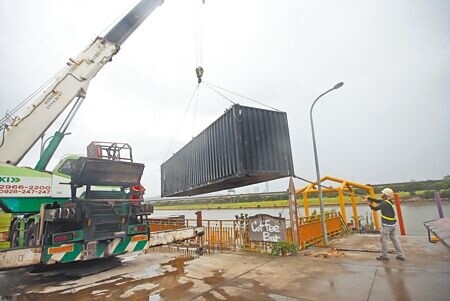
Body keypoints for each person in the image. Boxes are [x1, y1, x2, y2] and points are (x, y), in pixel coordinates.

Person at [365, 188, 405, 261]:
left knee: (384, 240)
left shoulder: (384, 203)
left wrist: (369, 204)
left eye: (383, 194)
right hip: (393, 224)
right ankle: (401, 255)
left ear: (386, 195)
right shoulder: (389, 201)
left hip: (387, 225)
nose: (381, 195)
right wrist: (368, 198)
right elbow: (377, 201)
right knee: (394, 239)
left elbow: (375, 208)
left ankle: (385, 256)